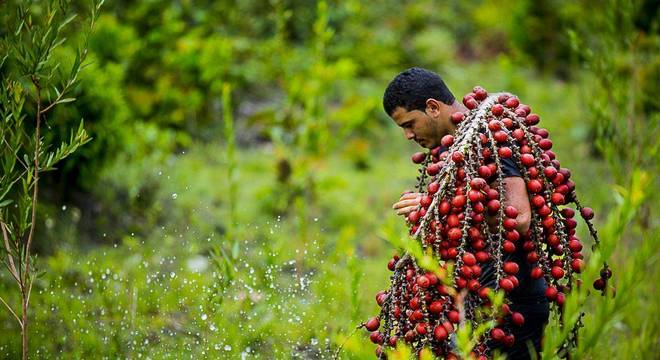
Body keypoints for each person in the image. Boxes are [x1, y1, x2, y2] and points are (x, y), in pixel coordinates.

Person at [382, 67, 549, 359]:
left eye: (410, 124)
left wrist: (433, 204)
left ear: (433, 107)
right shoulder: (458, 145)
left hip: (511, 304)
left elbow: (519, 218)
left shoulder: (490, 137)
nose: (408, 135)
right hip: (483, 303)